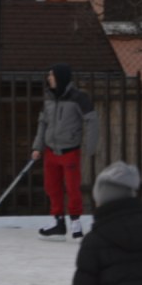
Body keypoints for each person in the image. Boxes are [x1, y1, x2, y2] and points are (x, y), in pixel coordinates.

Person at [31, 63, 100, 241]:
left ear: (60, 77)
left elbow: (92, 120)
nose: (49, 78)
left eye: (51, 75)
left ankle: (76, 223)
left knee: (72, 188)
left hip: (70, 151)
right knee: (51, 187)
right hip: (50, 151)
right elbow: (42, 123)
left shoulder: (78, 98)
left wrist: (90, 147)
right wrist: (37, 147)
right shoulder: (48, 98)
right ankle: (58, 223)